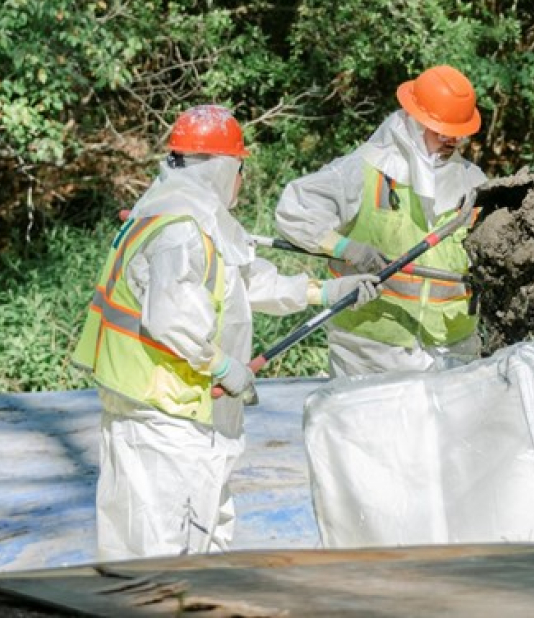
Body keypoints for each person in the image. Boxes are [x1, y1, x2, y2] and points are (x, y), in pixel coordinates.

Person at [71, 105, 380, 560]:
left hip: (170, 409)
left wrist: (327, 290)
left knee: (185, 539)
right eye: (240, 168)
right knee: (165, 548)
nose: (242, 179)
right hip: (167, 414)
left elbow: (243, 281)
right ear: (222, 167)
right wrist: (223, 366)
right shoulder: (180, 229)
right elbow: (171, 318)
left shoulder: (183, 212)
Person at [276, 65, 487, 377]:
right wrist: (348, 248)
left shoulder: (472, 184)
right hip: (371, 349)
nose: (451, 141)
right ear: (415, 124)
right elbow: (295, 211)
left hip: (451, 347)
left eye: (458, 134)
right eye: (441, 131)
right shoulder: (365, 170)